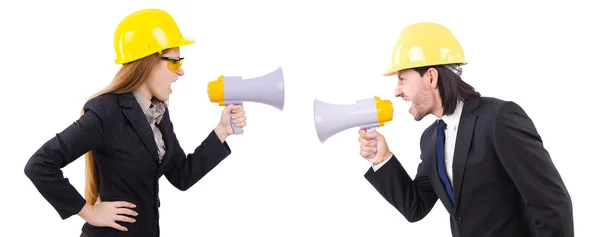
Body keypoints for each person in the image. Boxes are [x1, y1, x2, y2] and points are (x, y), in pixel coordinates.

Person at [23, 8, 246, 237]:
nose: (181, 72)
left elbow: (181, 175)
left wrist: (222, 131)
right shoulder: (106, 111)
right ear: (149, 62)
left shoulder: (158, 113)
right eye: (175, 62)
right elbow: (39, 165)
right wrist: (89, 212)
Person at [357, 22, 574, 237]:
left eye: (402, 79)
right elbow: (416, 207)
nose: (397, 91)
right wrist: (382, 159)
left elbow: (551, 204)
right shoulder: (431, 139)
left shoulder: (499, 119)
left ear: (431, 77)